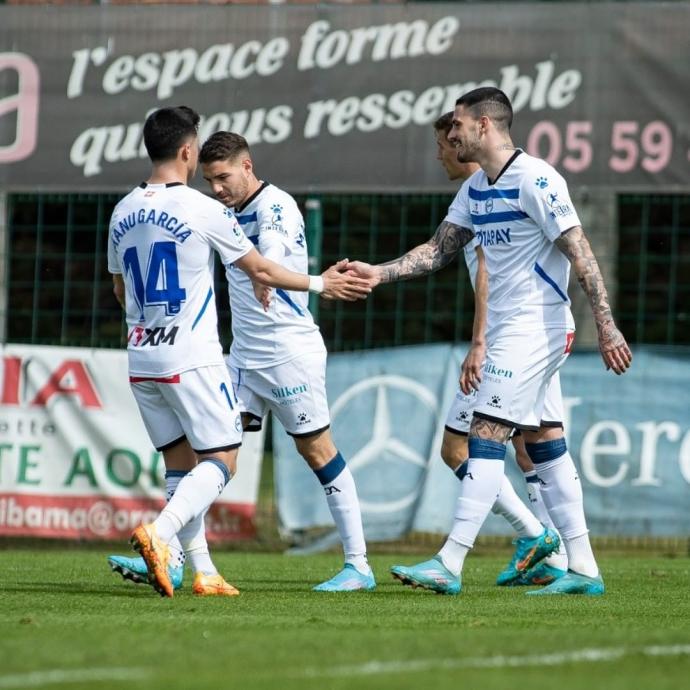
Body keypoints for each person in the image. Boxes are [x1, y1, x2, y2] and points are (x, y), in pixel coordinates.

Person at [347, 87, 632, 596]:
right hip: (511, 330)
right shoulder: (476, 188)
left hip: (536, 326)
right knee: (544, 444)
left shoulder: (536, 179)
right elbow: (437, 250)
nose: (450, 134)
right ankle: (584, 568)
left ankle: (449, 562)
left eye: (457, 124)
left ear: (483, 125)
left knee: (483, 436)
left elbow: (581, 253)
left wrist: (606, 325)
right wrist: (378, 273)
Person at [107, 106, 371, 598]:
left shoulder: (274, 206)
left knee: (316, 451)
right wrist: (267, 276)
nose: (218, 187)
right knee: (208, 457)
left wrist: (285, 279)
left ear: (247, 166)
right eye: (210, 179)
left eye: (224, 177)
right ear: (188, 156)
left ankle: (358, 563)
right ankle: (189, 563)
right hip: (241, 358)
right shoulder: (212, 211)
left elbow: (265, 259)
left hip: (287, 353)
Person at [433, 112, 568, 586]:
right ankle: (564, 559)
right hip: (537, 333)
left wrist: (478, 343)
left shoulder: (492, 192)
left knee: (460, 447)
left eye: (447, 142)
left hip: (511, 337)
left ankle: (532, 537)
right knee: (536, 444)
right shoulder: (477, 193)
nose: (442, 151)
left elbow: (489, 272)